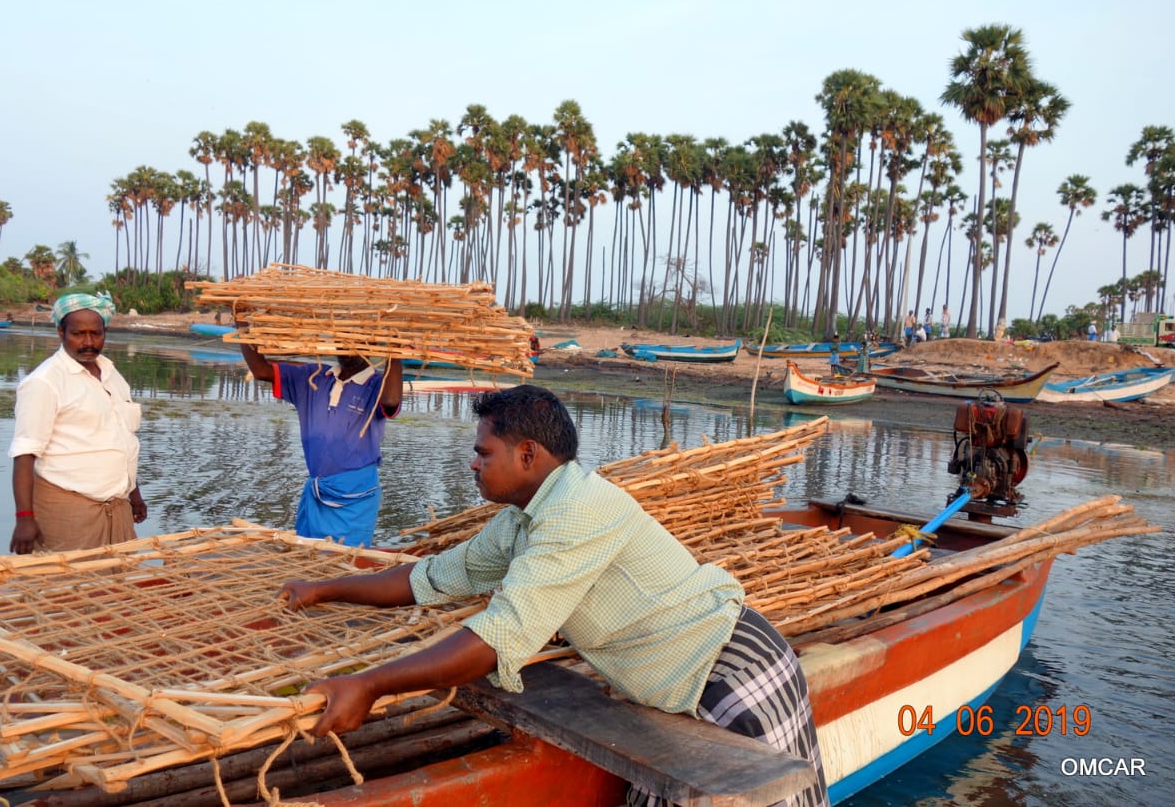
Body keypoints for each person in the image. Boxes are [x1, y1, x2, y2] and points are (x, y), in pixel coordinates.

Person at [279, 385, 829, 807]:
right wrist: (324, 589)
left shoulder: (575, 512)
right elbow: (433, 577)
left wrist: (368, 684)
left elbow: (498, 637)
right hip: (672, 690)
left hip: (732, 673)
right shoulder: (524, 517)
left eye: (483, 451)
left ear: (526, 454)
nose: (474, 462)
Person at [8, 293, 146, 554]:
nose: (88, 342)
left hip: (118, 508)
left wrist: (134, 495)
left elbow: (121, 438)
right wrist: (24, 518)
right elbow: (24, 454)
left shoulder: (112, 374)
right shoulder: (44, 382)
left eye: (96, 333)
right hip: (67, 509)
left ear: (105, 331)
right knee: (65, 589)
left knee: (118, 588)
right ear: (61, 332)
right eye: (78, 334)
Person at [240, 332, 402, 546]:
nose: (347, 346)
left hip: (354, 497)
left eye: (355, 341)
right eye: (342, 340)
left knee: (345, 565)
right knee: (308, 560)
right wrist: (241, 324)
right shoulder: (313, 378)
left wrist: (395, 351)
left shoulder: (377, 386)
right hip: (317, 492)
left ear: (371, 344)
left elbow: (391, 399)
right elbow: (261, 371)